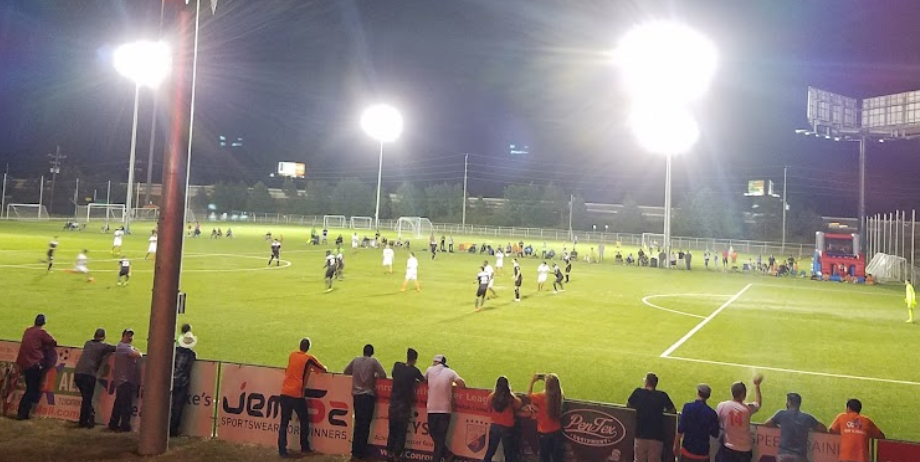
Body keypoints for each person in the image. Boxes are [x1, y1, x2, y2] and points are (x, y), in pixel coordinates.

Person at [279, 338, 327, 458]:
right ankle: (304, 447)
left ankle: (282, 450)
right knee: (304, 420)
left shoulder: (292, 355)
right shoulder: (309, 359)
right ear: (308, 347)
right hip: (296, 394)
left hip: (284, 392)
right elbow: (322, 369)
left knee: (284, 423)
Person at [343, 344, 388, 461]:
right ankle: (361, 452)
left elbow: (346, 371)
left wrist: (356, 374)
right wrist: (374, 375)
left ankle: (355, 451)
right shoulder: (373, 362)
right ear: (372, 353)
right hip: (368, 396)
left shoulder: (356, 360)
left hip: (357, 396)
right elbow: (383, 374)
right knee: (365, 424)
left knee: (358, 424)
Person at [387, 348, 426, 462]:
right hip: (404, 406)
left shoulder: (397, 366)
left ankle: (389, 453)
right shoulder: (414, 371)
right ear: (415, 360)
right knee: (401, 432)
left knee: (392, 430)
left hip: (393, 404)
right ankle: (396, 455)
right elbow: (423, 380)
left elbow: (393, 374)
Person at [16, 314, 57, 420]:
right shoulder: (41, 333)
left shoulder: (27, 331)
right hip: (34, 364)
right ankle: (24, 413)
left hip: (24, 364)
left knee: (30, 388)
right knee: (33, 389)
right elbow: (53, 342)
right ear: (43, 323)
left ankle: (23, 412)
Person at [764, 392, 827, 462]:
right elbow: (823, 428)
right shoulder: (807, 418)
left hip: (783, 455)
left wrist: (779, 426)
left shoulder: (782, 414)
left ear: (789, 402)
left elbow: (767, 423)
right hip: (800, 456)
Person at [425, 354, 466, 462]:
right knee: (440, 438)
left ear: (436, 362)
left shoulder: (430, 370)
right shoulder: (450, 372)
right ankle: (448, 455)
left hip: (432, 408)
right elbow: (462, 384)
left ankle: (440, 458)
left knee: (435, 436)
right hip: (444, 410)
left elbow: (424, 380)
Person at [627, 373, 676, 462]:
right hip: (656, 437)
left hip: (641, 435)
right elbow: (672, 410)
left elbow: (629, 405)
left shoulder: (638, 392)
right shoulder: (662, 395)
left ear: (646, 382)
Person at [74, 328, 115, 428]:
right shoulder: (103, 346)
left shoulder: (87, 343)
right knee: (87, 399)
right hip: (89, 374)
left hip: (78, 373)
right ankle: (84, 421)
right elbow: (115, 348)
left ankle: (88, 418)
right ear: (103, 337)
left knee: (86, 398)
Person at [716, 376, 763, 462]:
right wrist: (757, 386)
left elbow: (716, 422)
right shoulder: (748, 408)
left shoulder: (722, 406)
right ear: (743, 394)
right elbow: (758, 403)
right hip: (744, 450)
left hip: (728, 448)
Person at [674, 383, 720, 462]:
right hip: (703, 454)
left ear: (698, 393)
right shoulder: (711, 413)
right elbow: (715, 433)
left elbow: (681, 428)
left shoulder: (688, 407)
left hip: (687, 452)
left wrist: (676, 444)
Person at [109, 329, 143, 432]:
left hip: (122, 380)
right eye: (128, 336)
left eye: (131, 336)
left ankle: (113, 424)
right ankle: (124, 425)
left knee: (119, 403)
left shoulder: (121, 347)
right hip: (125, 380)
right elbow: (138, 355)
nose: (130, 338)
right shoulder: (124, 348)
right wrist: (138, 351)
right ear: (123, 336)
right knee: (126, 405)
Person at [484, 376, 522, 462]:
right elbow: (519, 404)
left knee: (490, 450)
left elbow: (487, 406)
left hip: (494, 426)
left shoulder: (492, 397)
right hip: (507, 427)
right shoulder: (510, 398)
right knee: (508, 453)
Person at [528, 373, 564, 462]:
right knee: (557, 458)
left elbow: (529, 394)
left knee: (544, 457)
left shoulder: (541, 396)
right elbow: (555, 388)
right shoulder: (559, 396)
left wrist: (533, 381)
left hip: (544, 432)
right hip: (556, 431)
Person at [170, 324, 197, 437]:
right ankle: (173, 430)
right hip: (182, 383)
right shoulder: (191, 355)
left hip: (172, 381)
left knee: (168, 406)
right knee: (178, 408)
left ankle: (165, 428)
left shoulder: (175, 351)